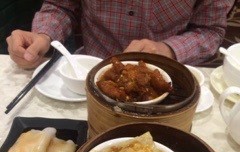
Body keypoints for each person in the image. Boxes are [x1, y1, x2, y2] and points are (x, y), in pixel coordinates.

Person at [6, 0, 234, 69]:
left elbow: (210, 31)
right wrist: (43, 35)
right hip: (90, 70)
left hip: (165, 76)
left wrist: (167, 49)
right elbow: (61, 7)